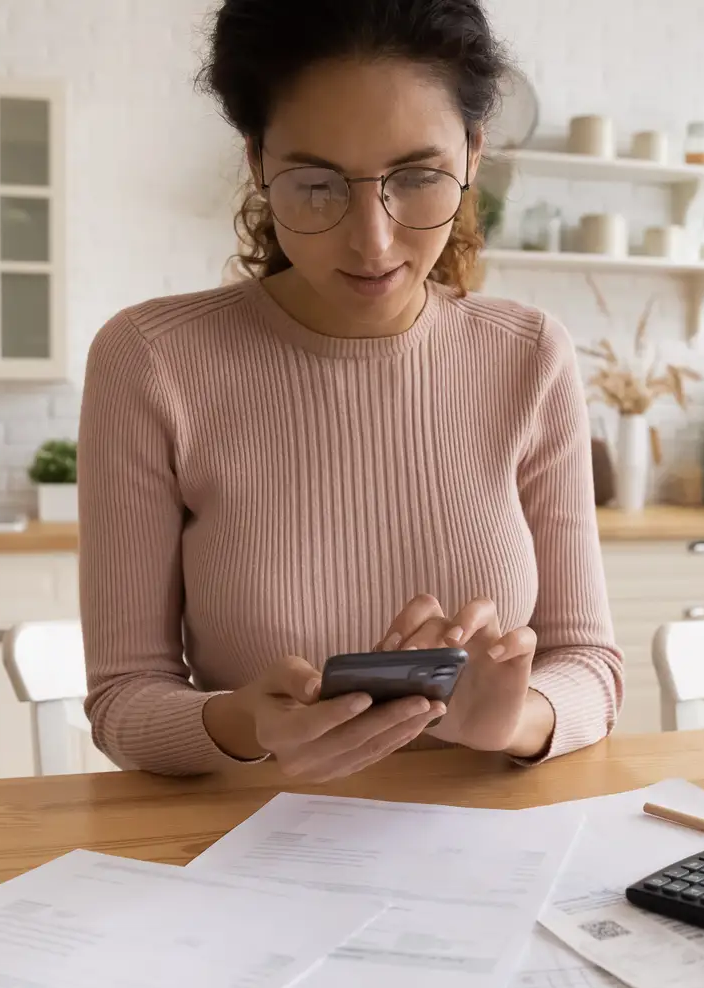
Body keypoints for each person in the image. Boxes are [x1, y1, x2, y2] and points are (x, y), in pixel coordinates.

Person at [77, 0, 623, 781]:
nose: (372, 238)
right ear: (258, 161)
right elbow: (123, 702)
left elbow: (590, 666)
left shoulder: (529, 356)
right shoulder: (151, 361)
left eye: (417, 177)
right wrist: (243, 722)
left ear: (473, 152)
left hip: (488, 846)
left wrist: (516, 719)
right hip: (248, 849)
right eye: (316, 184)